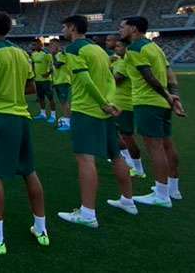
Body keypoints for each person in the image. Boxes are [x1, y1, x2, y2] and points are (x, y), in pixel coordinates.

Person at [0, 11, 48, 255]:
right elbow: (31, 87)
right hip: (21, 117)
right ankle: (41, 229)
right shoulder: (21, 53)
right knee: (29, 172)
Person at [56, 15, 136, 229]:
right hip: (105, 110)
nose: (63, 30)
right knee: (116, 154)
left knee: (85, 159)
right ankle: (128, 200)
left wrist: (102, 103)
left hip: (88, 109)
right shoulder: (98, 49)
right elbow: (110, 78)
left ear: (72, 28)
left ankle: (87, 213)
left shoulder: (74, 49)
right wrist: (110, 102)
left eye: (65, 27)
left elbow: (84, 79)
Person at [119, 16, 186, 207]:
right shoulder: (154, 47)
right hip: (162, 103)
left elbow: (149, 77)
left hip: (147, 102)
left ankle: (162, 194)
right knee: (167, 145)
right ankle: (173, 189)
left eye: (122, 27)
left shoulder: (135, 48)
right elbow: (169, 74)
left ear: (133, 29)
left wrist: (167, 96)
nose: (119, 30)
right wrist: (174, 97)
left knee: (155, 148)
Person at [111, 38, 146, 178]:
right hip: (119, 103)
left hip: (124, 104)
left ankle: (138, 169)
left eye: (119, 46)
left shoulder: (125, 61)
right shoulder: (120, 61)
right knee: (119, 134)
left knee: (127, 136)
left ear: (126, 48)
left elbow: (116, 80)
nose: (115, 48)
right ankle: (129, 161)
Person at [30, 39, 56, 123]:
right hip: (37, 80)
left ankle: (53, 115)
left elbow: (53, 66)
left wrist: (48, 73)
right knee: (40, 98)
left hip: (46, 80)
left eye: (35, 45)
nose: (33, 46)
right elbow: (33, 65)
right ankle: (43, 114)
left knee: (50, 97)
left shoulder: (46, 54)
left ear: (40, 45)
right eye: (33, 45)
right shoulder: (33, 54)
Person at [49, 39, 72, 131]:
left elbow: (58, 65)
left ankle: (68, 122)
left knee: (64, 102)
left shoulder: (61, 54)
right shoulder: (56, 55)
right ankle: (67, 121)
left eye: (52, 44)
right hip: (58, 82)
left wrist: (53, 55)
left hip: (63, 81)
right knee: (62, 102)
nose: (51, 46)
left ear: (57, 45)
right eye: (50, 44)